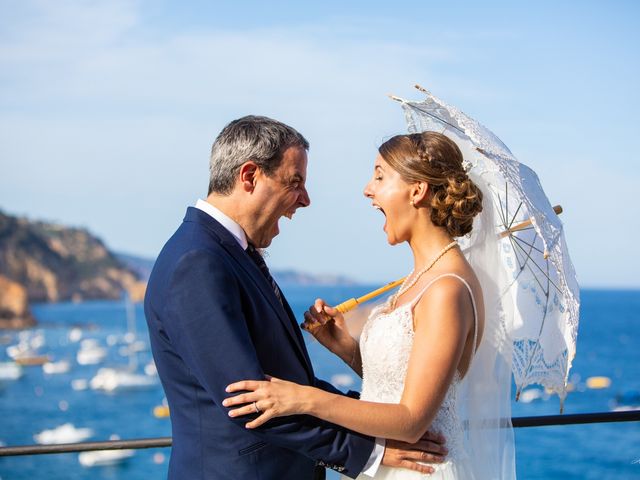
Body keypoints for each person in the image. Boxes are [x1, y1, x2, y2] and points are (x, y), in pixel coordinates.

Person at [144, 116, 448, 480]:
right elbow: (249, 402)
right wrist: (373, 450)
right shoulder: (197, 263)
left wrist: (377, 421)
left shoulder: (229, 253)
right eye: (295, 182)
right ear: (249, 177)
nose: (305, 200)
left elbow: (288, 385)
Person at [224, 131, 513, 479]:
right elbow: (400, 384)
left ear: (417, 190)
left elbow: (410, 420)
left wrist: (303, 399)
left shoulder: (446, 290)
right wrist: (343, 347)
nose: (368, 189)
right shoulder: (422, 279)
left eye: (379, 176)